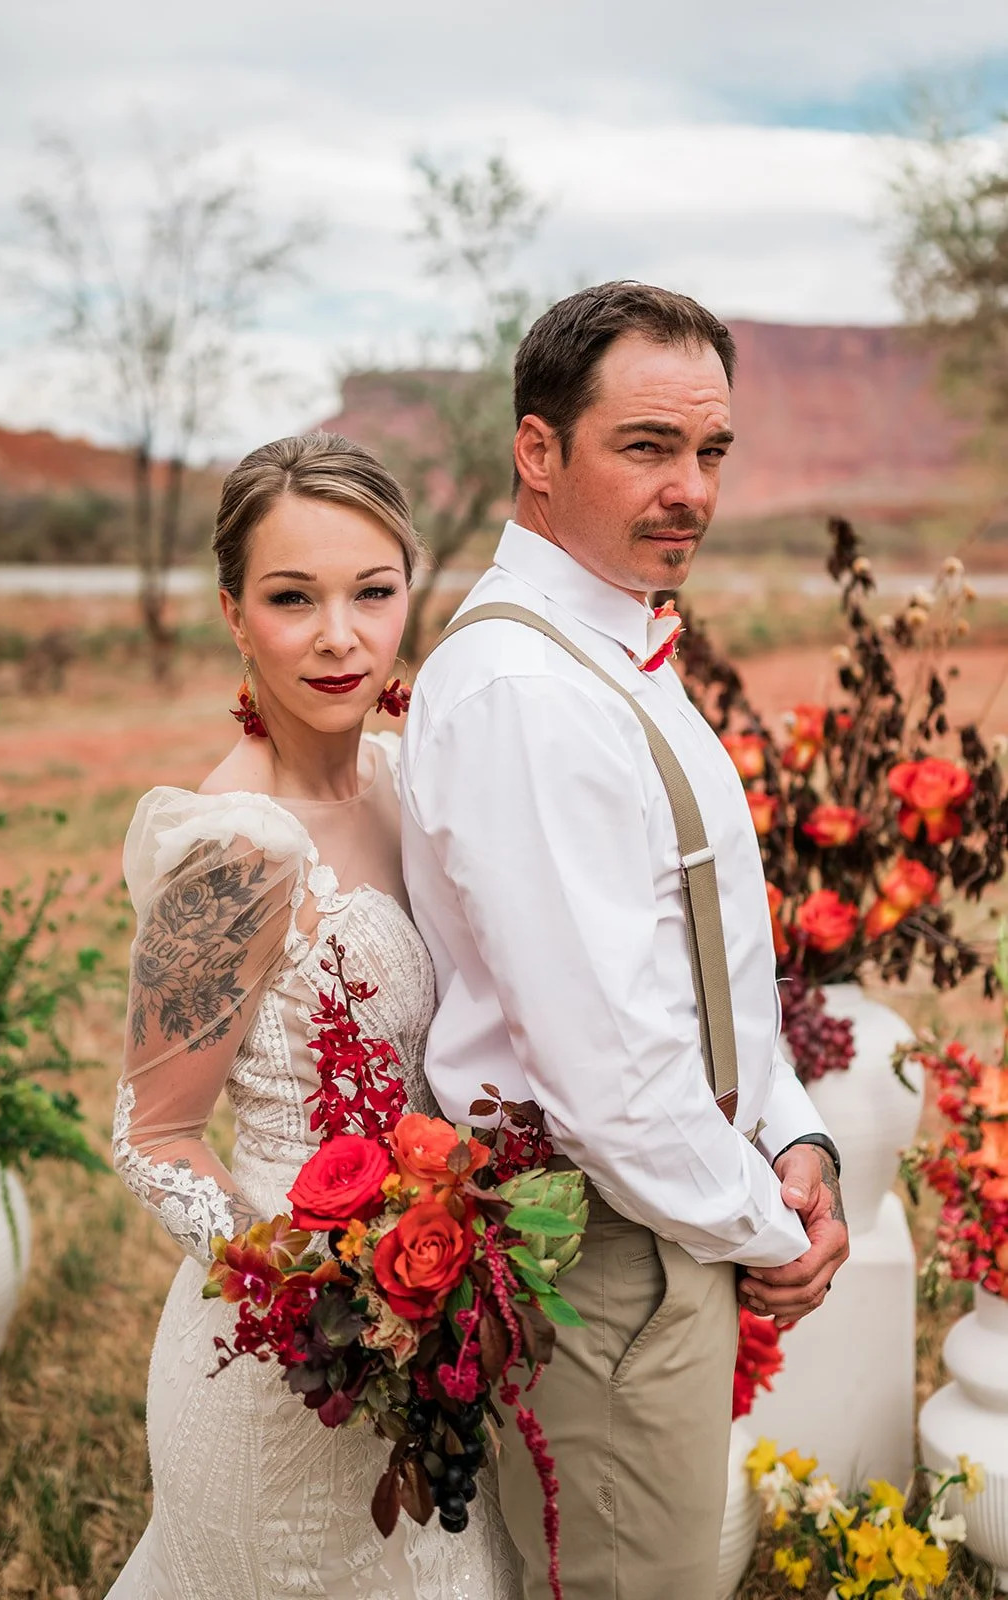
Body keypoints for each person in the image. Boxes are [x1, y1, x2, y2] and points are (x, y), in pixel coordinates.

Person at [399, 282, 850, 1600]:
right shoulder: (528, 692)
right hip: (608, 1248)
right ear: (539, 452)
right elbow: (603, 1065)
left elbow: (693, 960)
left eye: (711, 452)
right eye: (647, 446)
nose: (691, 489)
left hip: (669, 1212)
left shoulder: (603, 650)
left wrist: (794, 1132)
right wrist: (769, 1225)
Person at [108, 432, 518, 1600]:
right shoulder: (232, 851)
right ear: (236, 613)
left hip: (434, 1339)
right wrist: (314, 1296)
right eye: (294, 597)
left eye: (371, 591)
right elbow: (152, 1135)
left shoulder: (408, 779)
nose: (340, 634)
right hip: (288, 1369)